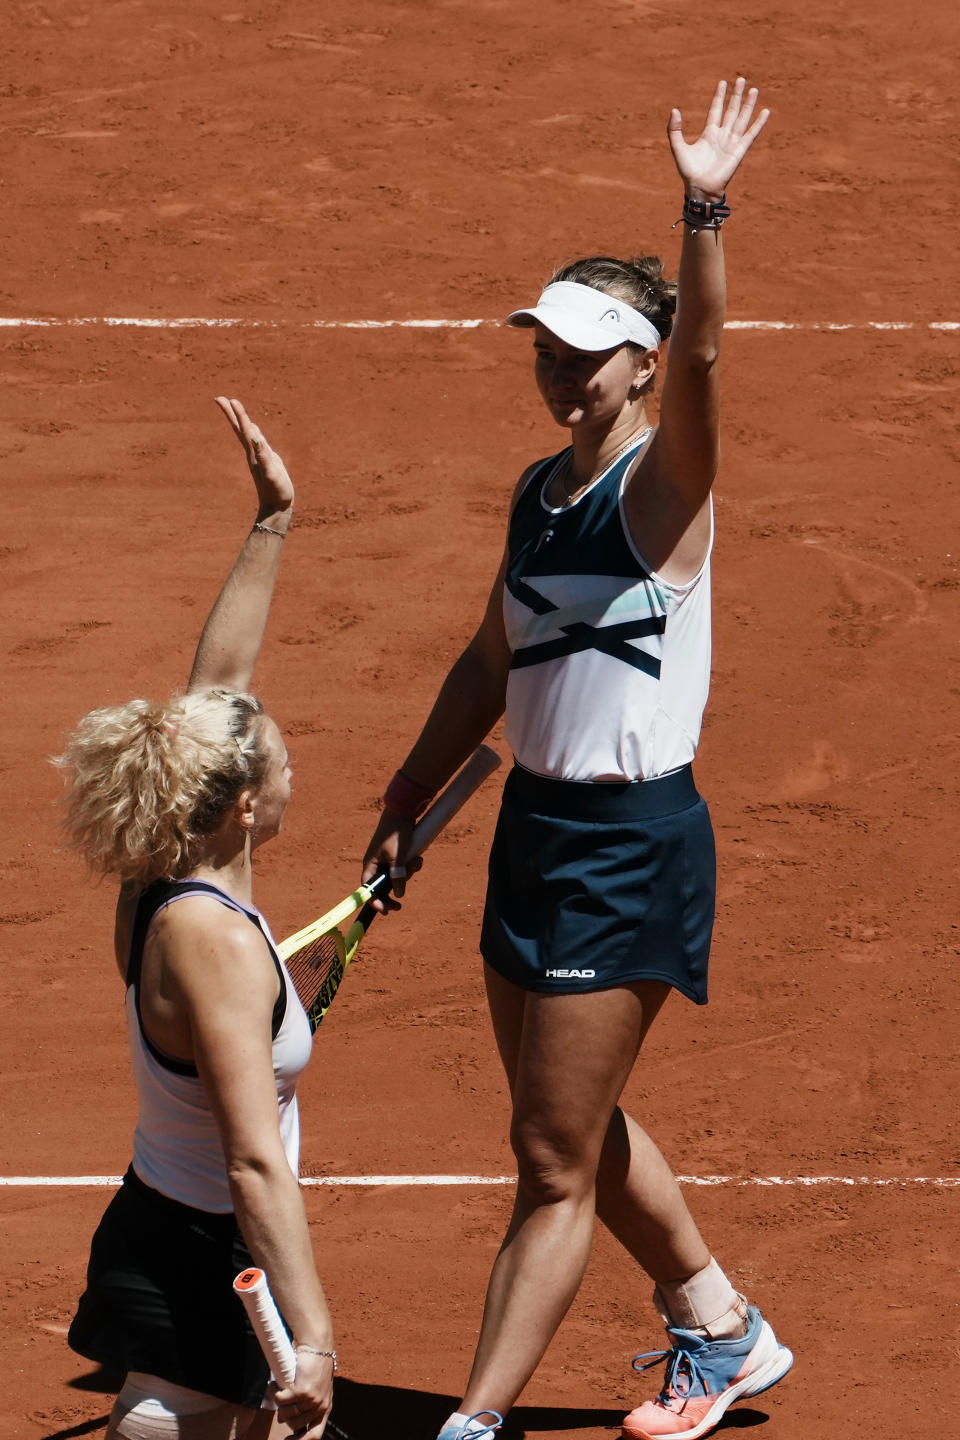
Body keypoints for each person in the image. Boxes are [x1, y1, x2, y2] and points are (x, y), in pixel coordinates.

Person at [362, 80, 792, 1440]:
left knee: (549, 1155)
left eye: (587, 351)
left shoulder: (663, 489)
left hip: (630, 847)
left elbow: (713, 353)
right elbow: (490, 661)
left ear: (640, 362)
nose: (558, 369)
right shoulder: (536, 495)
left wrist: (703, 205)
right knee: (575, 1126)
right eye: (545, 346)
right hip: (532, 836)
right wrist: (409, 791)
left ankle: (475, 1420)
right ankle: (720, 1325)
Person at [57, 400, 336, 1440]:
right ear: (248, 806)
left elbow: (213, 693)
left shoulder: (158, 869)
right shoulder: (217, 945)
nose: (288, 751)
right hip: (217, 1256)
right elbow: (254, 1159)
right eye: (280, 752)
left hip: (154, 1225)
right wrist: (317, 1339)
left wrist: (274, 519)